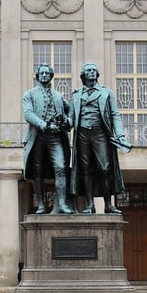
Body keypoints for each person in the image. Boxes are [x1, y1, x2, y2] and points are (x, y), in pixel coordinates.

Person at [69, 62, 130, 214]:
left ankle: (108, 204)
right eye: (88, 70)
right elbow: (71, 118)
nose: (91, 72)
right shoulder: (76, 95)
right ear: (83, 75)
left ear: (97, 74)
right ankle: (90, 205)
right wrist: (64, 123)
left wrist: (120, 135)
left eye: (94, 70)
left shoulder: (106, 92)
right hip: (82, 134)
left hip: (100, 133)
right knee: (86, 169)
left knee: (104, 168)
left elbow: (115, 115)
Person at [22, 63, 74, 214]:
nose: (44, 75)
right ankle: (41, 205)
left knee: (60, 167)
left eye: (47, 73)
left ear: (51, 76)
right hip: (37, 136)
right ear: (37, 76)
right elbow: (28, 114)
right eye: (41, 73)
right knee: (37, 171)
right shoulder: (29, 94)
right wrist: (44, 125)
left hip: (56, 137)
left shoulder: (58, 96)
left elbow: (71, 110)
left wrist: (68, 122)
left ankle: (63, 204)